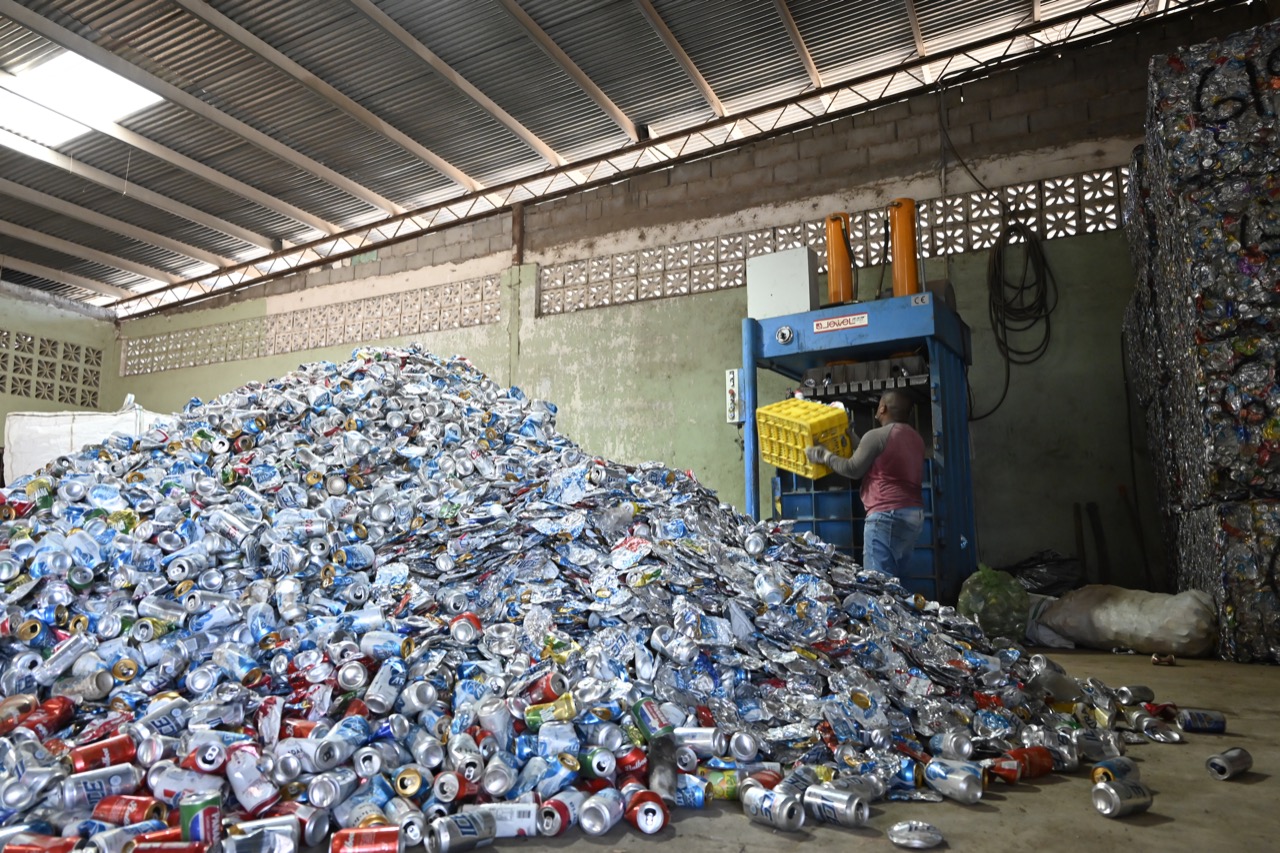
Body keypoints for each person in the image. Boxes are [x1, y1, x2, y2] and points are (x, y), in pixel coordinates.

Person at [805, 390, 925, 577]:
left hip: (886, 514)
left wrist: (825, 456)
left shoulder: (877, 435)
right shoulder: (915, 438)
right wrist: (851, 436)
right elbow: (877, 458)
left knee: (877, 582)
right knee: (894, 581)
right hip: (913, 516)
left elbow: (853, 469)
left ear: (883, 408)